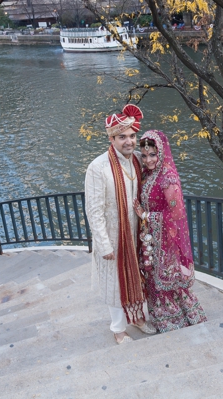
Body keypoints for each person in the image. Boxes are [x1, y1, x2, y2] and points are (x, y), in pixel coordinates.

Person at [84, 104, 156, 345]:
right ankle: (118, 329)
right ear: (112, 138)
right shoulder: (98, 167)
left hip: (136, 233)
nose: (129, 141)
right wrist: (104, 244)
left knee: (138, 277)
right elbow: (94, 211)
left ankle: (137, 318)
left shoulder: (136, 160)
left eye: (132, 136)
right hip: (114, 236)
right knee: (116, 284)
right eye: (122, 137)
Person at [133, 130, 207, 333]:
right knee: (152, 278)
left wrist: (146, 216)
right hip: (151, 238)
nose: (148, 160)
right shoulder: (149, 174)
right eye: (145, 155)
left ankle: (178, 317)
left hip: (165, 241)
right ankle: (161, 317)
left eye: (153, 154)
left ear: (162, 152)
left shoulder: (168, 177)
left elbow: (176, 214)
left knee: (167, 279)